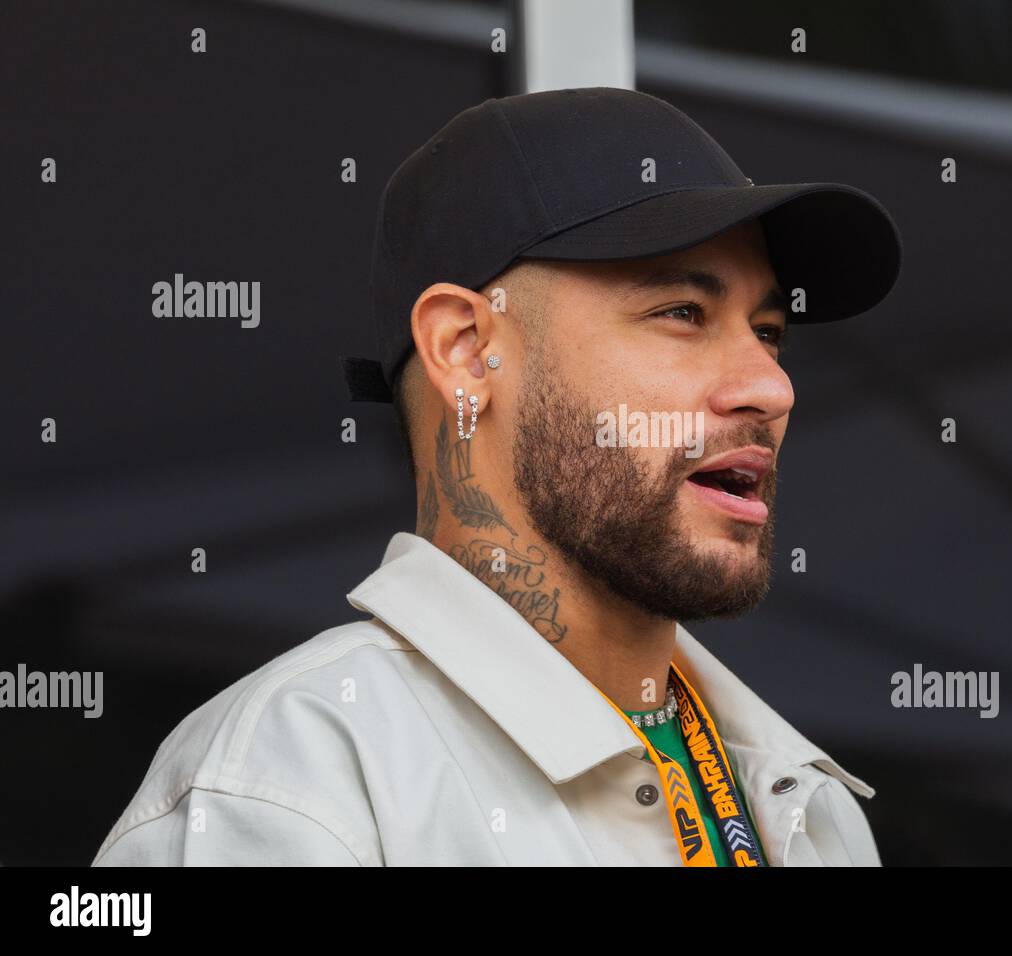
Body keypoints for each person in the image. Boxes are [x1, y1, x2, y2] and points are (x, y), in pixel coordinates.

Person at [92, 86, 901, 866]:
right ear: (467, 350)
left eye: (768, 331)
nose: (771, 387)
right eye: (682, 313)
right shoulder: (292, 780)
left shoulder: (808, 807)